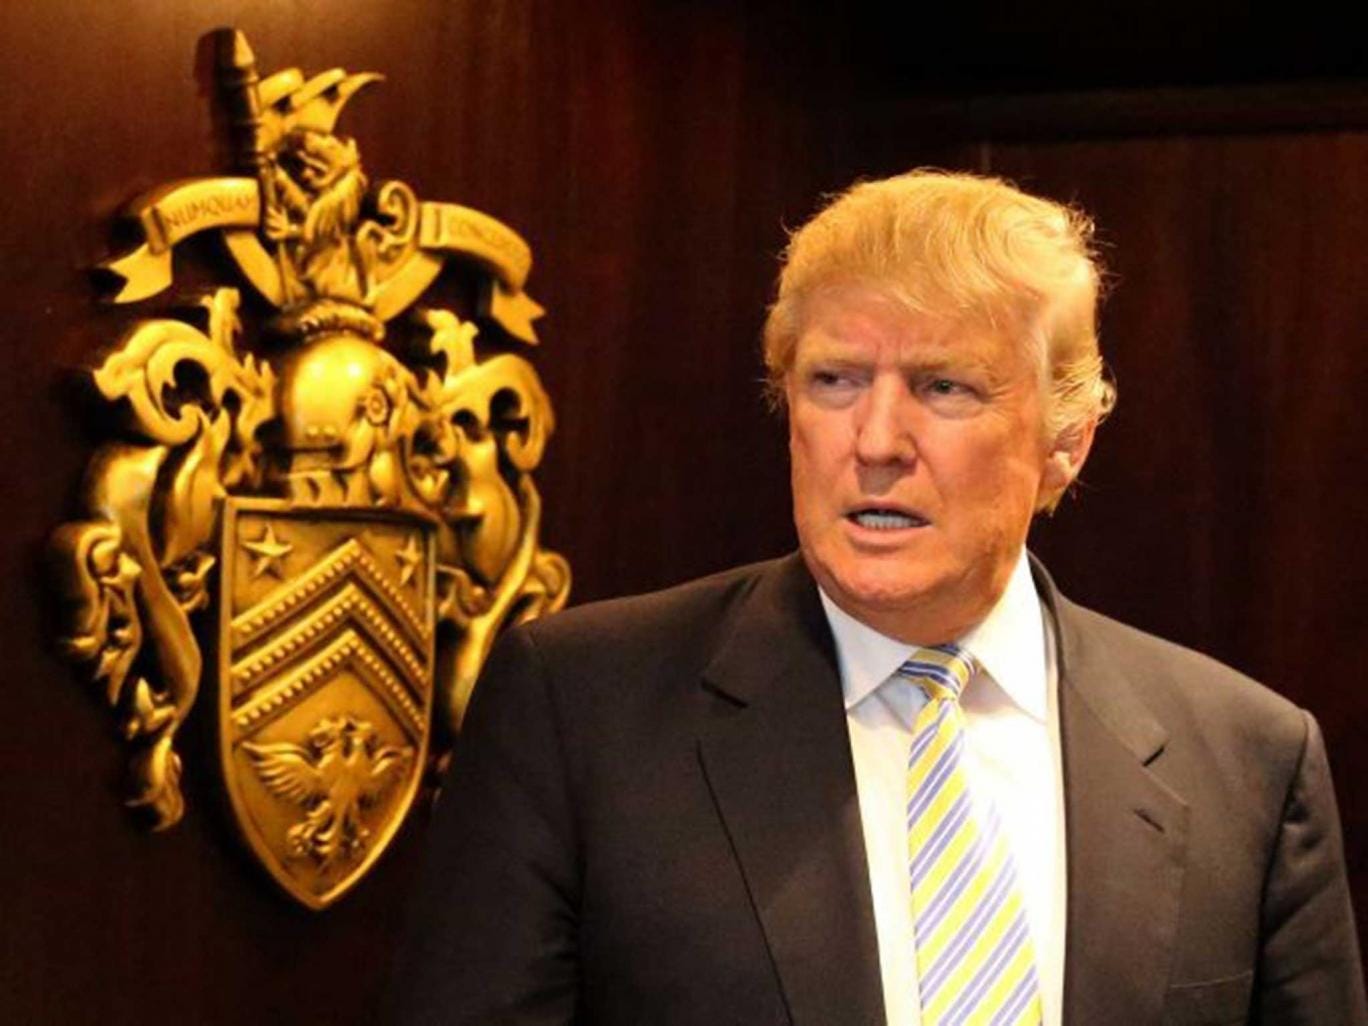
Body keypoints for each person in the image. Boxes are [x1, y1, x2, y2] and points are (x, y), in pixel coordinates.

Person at [386, 170, 1367, 1025]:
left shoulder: (1247, 761)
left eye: (945, 388)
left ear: (1067, 442)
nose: (877, 440)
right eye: (835, 380)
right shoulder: (580, 713)